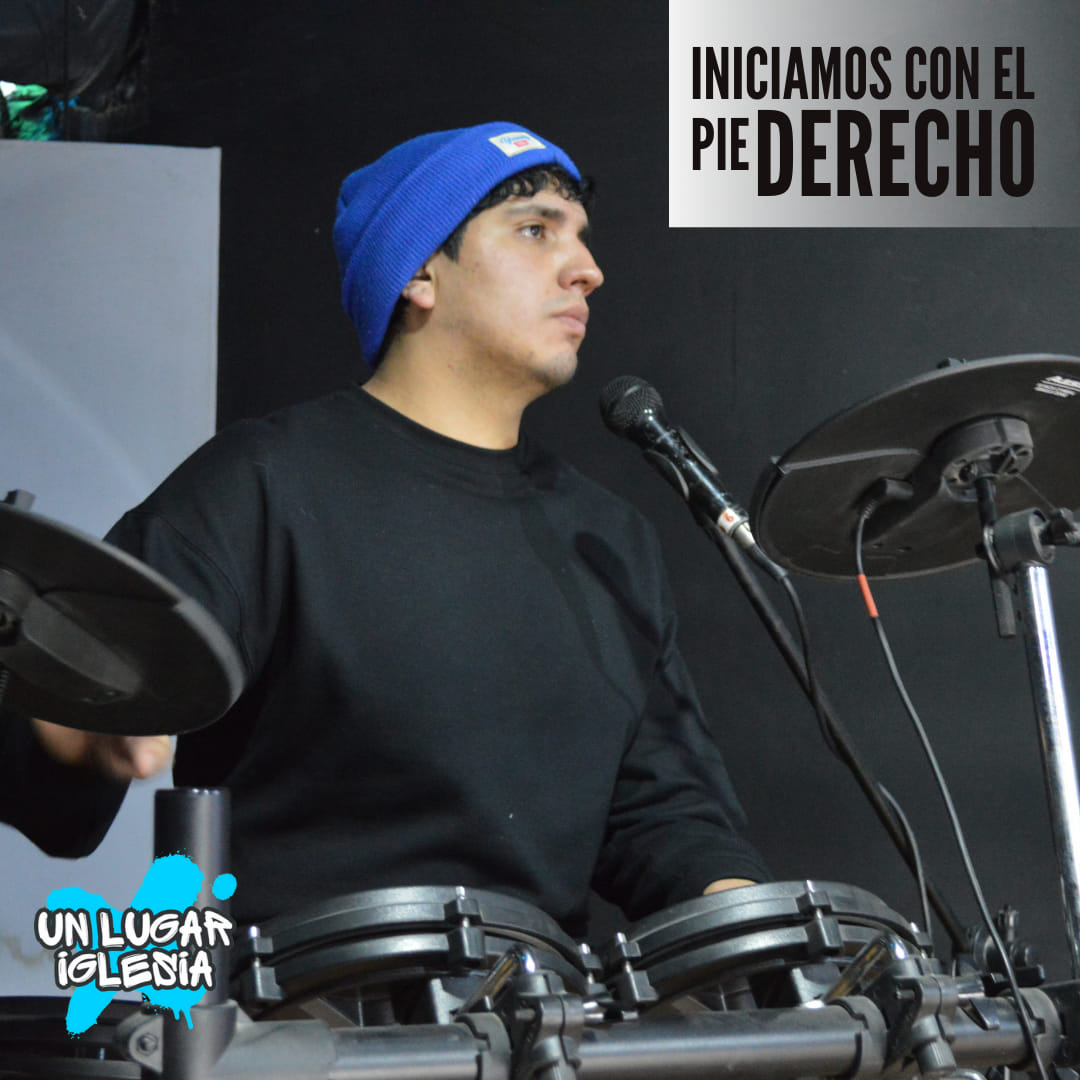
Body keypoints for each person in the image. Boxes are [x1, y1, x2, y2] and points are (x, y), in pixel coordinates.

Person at [8, 122, 768, 936]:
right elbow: (61, 734)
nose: (587, 269)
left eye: (581, 238)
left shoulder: (607, 537)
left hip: (537, 1002)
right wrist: (70, 730)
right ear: (419, 274)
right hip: (300, 1001)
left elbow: (665, 815)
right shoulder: (264, 482)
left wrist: (758, 930)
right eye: (536, 230)